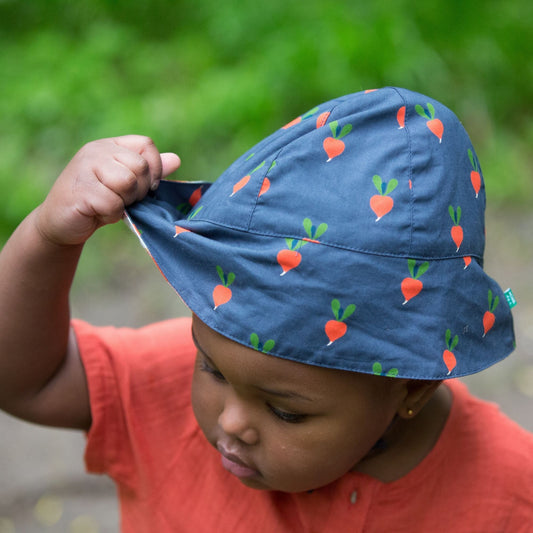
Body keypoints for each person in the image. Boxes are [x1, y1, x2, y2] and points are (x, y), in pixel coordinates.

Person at [0, 87, 531, 532]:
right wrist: (46, 238)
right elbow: (30, 381)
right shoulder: (160, 383)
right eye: (209, 367)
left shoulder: (508, 496)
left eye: (285, 412)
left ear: (412, 385)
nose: (231, 422)